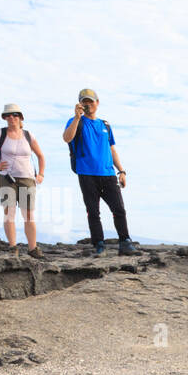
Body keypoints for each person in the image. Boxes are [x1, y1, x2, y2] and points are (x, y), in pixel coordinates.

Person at [62, 88, 137, 256]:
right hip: (86, 173)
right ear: (80, 104)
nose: (88, 104)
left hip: (108, 174)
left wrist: (122, 171)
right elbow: (67, 138)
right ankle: (99, 244)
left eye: (90, 101)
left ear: (97, 103)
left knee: (118, 208)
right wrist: (76, 117)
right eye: (84, 102)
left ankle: (125, 242)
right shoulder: (75, 121)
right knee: (93, 211)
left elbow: (112, 149)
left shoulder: (105, 125)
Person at [0, 104, 45, 259]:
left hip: (27, 179)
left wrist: (41, 174)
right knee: (9, 212)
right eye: (8, 115)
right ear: (5, 118)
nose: (11, 118)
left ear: (20, 117)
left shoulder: (28, 135)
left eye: (15, 115)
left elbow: (41, 156)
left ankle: (33, 249)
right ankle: (13, 248)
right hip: (6, 178)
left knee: (28, 215)